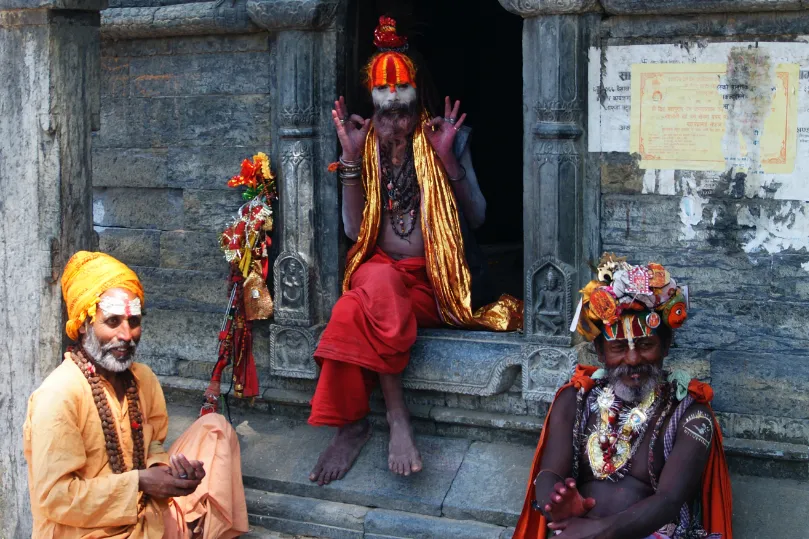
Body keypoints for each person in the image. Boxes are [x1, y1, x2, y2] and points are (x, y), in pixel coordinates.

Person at [307, 16, 522, 486]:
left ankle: (357, 424)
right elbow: (350, 228)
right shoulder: (363, 147)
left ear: (417, 106)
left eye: (403, 115)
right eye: (386, 116)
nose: (395, 126)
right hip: (377, 270)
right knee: (376, 280)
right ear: (375, 111)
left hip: (434, 283)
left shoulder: (445, 137)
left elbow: (480, 217)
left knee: (348, 312)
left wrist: (448, 162)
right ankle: (393, 418)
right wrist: (348, 161)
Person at [23, 251, 249, 538]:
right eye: (113, 322)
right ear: (83, 325)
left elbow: (151, 445)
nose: (126, 335)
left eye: (134, 321)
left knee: (215, 429)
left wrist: (169, 471)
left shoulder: (142, 378)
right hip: (90, 531)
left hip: (148, 513)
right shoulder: (58, 395)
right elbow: (55, 497)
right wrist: (140, 483)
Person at [513, 254, 733, 539]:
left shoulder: (691, 416)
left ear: (666, 346)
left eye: (645, 345)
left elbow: (668, 501)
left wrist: (599, 531)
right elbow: (549, 475)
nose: (632, 358)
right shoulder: (574, 400)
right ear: (600, 352)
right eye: (618, 348)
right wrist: (555, 503)